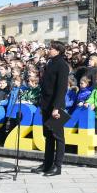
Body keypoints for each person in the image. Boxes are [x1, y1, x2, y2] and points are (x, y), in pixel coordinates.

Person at [31, 41, 68, 177]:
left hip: (55, 106)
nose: (49, 50)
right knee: (48, 136)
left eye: (51, 48)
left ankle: (57, 166)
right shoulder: (50, 63)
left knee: (58, 136)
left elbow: (61, 88)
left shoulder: (62, 65)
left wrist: (57, 107)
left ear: (58, 51)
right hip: (46, 105)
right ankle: (47, 164)